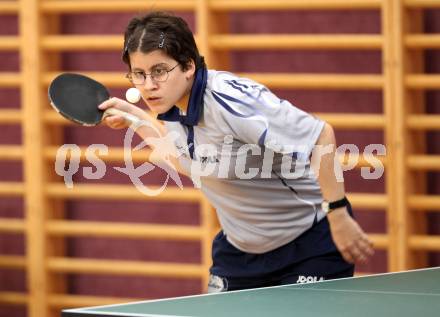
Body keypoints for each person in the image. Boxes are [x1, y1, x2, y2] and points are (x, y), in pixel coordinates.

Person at [98, 11, 374, 292]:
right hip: (239, 251)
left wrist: (338, 215)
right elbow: (196, 163)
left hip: (307, 242)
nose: (148, 85)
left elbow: (320, 136)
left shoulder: (234, 102)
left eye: (159, 71)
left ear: (188, 65)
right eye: (139, 74)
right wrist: (137, 120)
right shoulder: (171, 109)